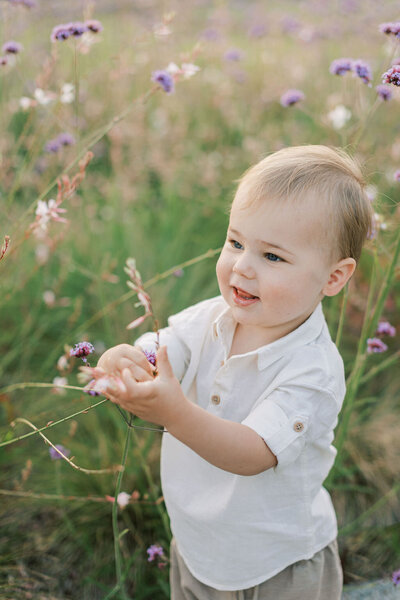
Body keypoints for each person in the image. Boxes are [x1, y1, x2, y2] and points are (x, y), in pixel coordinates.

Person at [97, 145, 373, 600]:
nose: (242, 266)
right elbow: (168, 347)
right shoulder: (213, 316)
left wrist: (175, 414)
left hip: (277, 566)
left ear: (334, 278)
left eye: (273, 257)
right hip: (198, 544)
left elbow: (252, 454)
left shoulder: (312, 371)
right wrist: (130, 358)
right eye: (236, 242)